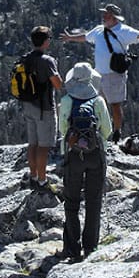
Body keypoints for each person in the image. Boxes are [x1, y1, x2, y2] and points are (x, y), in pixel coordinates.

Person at [60, 3, 139, 142]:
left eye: (107, 15)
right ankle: (97, 130)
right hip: (97, 74)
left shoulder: (124, 30)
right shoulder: (98, 30)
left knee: (115, 104)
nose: (104, 16)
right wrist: (71, 38)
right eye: (104, 14)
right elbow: (85, 37)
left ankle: (116, 132)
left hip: (114, 74)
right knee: (96, 103)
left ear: (114, 18)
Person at [58, 62, 114, 262]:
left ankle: (72, 247)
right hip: (95, 154)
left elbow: (63, 130)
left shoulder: (66, 100)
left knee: (71, 202)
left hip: (73, 156)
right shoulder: (98, 100)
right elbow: (107, 130)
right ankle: (91, 246)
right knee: (94, 200)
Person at [23, 26, 63, 190]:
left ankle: (32, 177)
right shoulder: (47, 61)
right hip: (44, 108)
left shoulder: (25, 58)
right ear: (46, 41)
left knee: (32, 143)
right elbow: (58, 84)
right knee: (44, 146)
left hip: (28, 105)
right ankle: (42, 180)